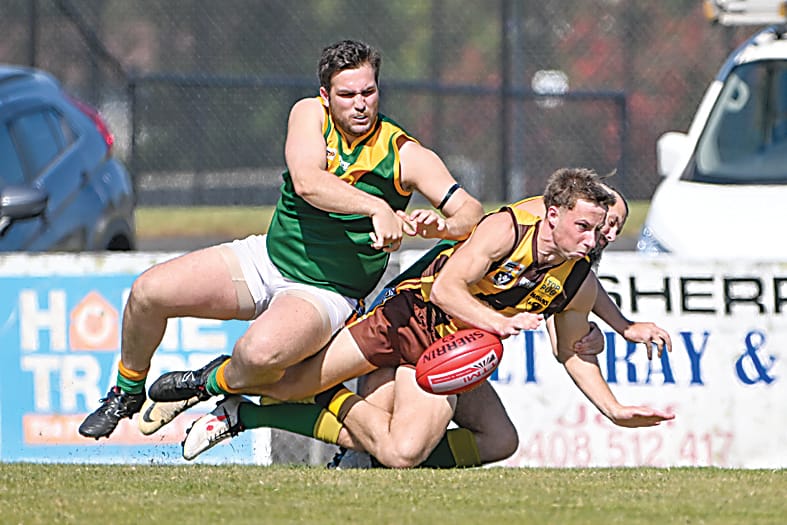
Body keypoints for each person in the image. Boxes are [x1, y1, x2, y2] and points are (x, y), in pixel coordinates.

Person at [78, 39, 483, 439]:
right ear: (325, 96)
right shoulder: (308, 114)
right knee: (148, 292)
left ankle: (208, 382)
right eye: (347, 94)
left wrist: (441, 228)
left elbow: (470, 212)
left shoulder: (403, 154)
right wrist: (377, 207)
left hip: (327, 293)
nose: (360, 103)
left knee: (258, 354)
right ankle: (126, 393)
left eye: (368, 91)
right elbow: (308, 182)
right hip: (266, 260)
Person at [173, 168, 674, 466]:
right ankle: (227, 395)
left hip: (450, 353)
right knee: (284, 384)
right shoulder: (504, 230)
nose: (598, 239)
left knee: (495, 441)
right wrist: (498, 324)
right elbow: (447, 287)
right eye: (588, 227)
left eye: (606, 229)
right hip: (405, 319)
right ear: (553, 215)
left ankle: (290, 427)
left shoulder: (575, 276)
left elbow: (571, 351)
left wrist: (614, 408)